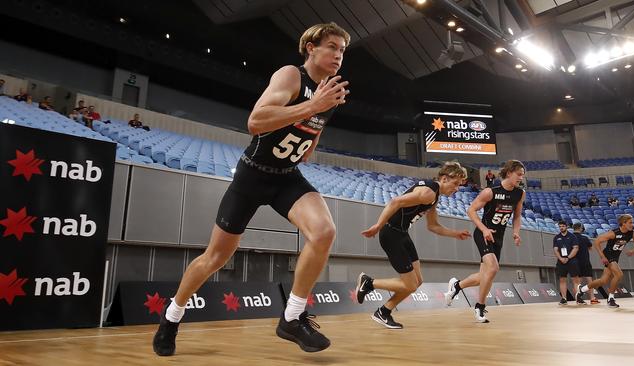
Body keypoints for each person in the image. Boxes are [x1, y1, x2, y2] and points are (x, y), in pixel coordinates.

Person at [152, 22, 350, 356]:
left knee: (324, 231)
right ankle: (171, 317)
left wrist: (313, 125)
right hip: (251, 176)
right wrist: (311, 107)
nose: (338, 55)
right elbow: (256, 122)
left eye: (342, 50)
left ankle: (292, 316)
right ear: (311, 48)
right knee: (215, 257)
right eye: (332, 46)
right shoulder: (290, 75)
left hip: (285, 176)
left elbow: (312, 135)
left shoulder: (329, 93)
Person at [355, 162, 471, 329]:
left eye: (460, 185)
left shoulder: (434, 196)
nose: (457, 188)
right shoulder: (428, 193)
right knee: (410, 284)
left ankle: (384, 312)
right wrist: (378, 226)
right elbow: (396, 202)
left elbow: (433, 226)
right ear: (444, 179)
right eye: (455, 184)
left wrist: (455, 233)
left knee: (417, 281)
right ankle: (369, 283)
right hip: (391, 234)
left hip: (402, 233)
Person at [443, 160, 526, 323]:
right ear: (509, 173)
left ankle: (456, 286)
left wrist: (516, 232)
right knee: (493, 268)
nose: (521, 178)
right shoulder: (490, 192)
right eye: (519, 174)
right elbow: (471, 210)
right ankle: (479, 307)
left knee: (484, 276)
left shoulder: (519, 193)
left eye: (523, 175)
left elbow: (517, 216)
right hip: (483, 233)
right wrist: (484, 229)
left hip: (499, 237)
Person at [576, 214, 634, 308]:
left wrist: (633, 251)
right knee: (619, 274)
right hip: (608, 255)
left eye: (632, 222)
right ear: (623, 223)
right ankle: (610, 298)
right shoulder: (613, 233)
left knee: (603, 280)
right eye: (630, 223)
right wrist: (602, 256)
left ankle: (582, 289)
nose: (632, 224)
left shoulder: (633, 233)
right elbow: (597, 242)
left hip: (615, 257)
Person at [553, 220, 580, 305]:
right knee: (562, 279)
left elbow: (575, 248)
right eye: (560, 226)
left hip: (572, 261)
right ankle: (564, 298)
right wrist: (561, 258)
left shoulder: (572, 237)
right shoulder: (556, 237)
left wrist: (568, 257)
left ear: (566, 226)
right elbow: (555, 249)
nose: (561, 228)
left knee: (575, 280)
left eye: (563, 226)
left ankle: (578, 298)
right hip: (561, 261)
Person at [573, 223, 598, 304]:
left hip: (575, 262)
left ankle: (578, 298)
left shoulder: (570, 238)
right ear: (581, 228)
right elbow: (591, 248)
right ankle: (592, 298)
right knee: (589, 280)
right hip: (585, 261)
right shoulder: (584, 238)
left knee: (577, 282)